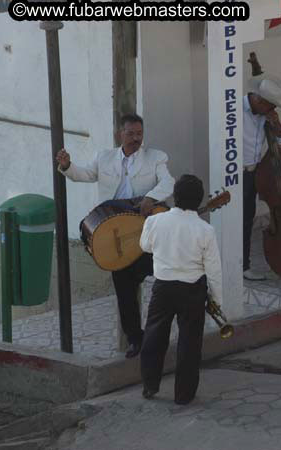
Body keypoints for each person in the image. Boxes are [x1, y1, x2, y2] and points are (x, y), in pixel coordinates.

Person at [56, 114, 175, 358]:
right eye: (130, 134)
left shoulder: (156, 157)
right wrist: (68, 166)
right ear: (120, 134)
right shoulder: (104, 157)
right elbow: (85, 175)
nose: (136, 138)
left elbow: (168, 182)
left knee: (167, 278)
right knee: (124, 289)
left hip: (147, 229)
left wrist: (151, 197)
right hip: (117, 232)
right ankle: (135, 339)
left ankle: (165, 332)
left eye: (139, 134)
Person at [138, 174, 223, 405]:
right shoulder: (205, 230)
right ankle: (183, 395)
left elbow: (144, 246)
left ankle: (149, 385)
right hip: (192, 289)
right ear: (199, 200)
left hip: (163, 286)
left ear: (174, 197)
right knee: (189, 342)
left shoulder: (155, 221)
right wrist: (216, 299)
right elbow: (213, 269)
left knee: (154, 335)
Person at [242, 75, 281, 281]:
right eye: (271, 106)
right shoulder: (233, 109)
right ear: (259, 100)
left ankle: (243, 265)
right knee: (235, 221)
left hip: (253, 172)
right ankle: (239, 265)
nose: (273, 110)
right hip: (235, 173)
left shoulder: (265, 114)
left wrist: (275, 121)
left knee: (246, 220)